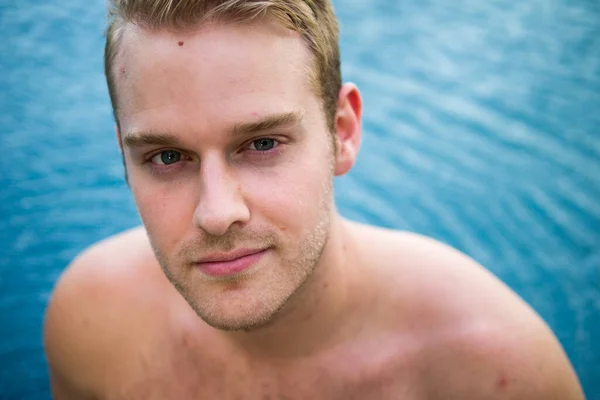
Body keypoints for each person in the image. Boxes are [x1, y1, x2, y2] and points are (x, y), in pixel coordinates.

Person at [43, 0, 585, 398]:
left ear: (342, 132)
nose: (216, 213)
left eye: (261, 144)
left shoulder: (495, 371)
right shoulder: (92, 323)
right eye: (166, 157)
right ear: (123, 154)